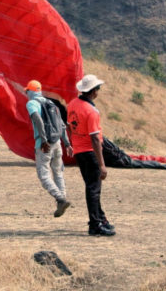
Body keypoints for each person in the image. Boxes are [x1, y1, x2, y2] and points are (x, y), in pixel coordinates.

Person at [67, 74, 115, 236]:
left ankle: (101, 218)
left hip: (79, 151)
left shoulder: (72, 104)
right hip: (90, 152)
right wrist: (102, 164)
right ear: (93, 91)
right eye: (98, 89)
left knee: (91, 186)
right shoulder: (91, 111)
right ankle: (95, 224)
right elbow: (95, 138)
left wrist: (71, 144)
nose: (98, 92)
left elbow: (70, 126)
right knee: (94, 189)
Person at [25, 80, 72, 217]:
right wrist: (67, 143)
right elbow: (62, 125)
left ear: (31, 91)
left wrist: (44, 140)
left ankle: (60, 199)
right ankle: (62, 201)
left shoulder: (32, 103)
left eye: (27, 90)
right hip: (57, 143)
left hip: (44, 144)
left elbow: (37, 120)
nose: (26, 93)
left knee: (44, 174)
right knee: (58, 173)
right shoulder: (51, 103)